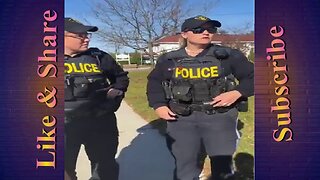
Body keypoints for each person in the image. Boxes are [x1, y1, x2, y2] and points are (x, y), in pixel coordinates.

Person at [146, 15, 253, 180]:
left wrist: (237, 92)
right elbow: (154, 82)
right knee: (185, 166)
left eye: (211, 29)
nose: (206, 32)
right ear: (184, 34)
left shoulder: (228, 56)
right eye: (198, 29)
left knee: (222, 167)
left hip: (220, 117)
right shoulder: (169, 59)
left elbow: (255, 77)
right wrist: (158, 105)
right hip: (181, 119)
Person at [64, 18, 129, 180]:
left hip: (100, 121)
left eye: (87, 35)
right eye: (80, 35)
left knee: (105, 167)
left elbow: (121, 78)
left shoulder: (99, 57)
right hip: (62, 125)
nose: (86, 38)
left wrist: (117, 92)